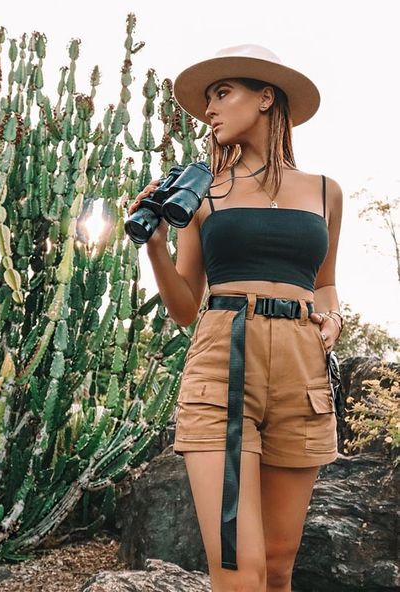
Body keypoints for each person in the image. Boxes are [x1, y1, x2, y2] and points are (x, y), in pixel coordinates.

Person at [127, 43, 344, 592]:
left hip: (302, 369)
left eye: (223, 93)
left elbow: (325, 284)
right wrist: (155, 246)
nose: (211, 109)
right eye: (207, 100)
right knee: (237, 572)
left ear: (266, 97)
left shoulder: (325, 192)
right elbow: (183, 308)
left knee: (277, 566)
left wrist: (332, 319)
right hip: (224, 359)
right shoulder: (201, 196)